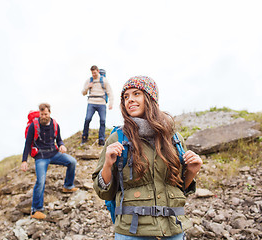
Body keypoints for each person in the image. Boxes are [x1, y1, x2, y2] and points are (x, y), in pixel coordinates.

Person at [92, 76, 203, 240]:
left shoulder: (174, 138)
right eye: (126, 97)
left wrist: (192, 172)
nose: (130, 100)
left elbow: (179, 190)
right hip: (132, 232)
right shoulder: (117, 138)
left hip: (173, 230)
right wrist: (108, 165)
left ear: (150, 98)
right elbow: (103, 192)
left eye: (136, 94)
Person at [21, 103, 78, 220]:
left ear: (49, 113)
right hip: (40, 156)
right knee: (41, 181)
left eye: (45, 114)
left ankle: (68, 186)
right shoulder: (34, 126)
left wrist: (62, 145)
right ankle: (36, 209)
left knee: (72, 162)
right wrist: (24, 161)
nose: (43, 116)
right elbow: (27, 144)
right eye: (41, 114)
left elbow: (59, 140)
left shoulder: (55, 124)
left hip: (54, 153)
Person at [81, 65, 114, 146]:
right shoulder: (89, 80)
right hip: (91, 102)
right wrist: (87, 87)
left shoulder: (104, 80)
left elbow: (110, 92)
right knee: (87, 119)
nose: (94, 74)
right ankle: (84, 137)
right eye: (92, 73)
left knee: (102, 121)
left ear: (98, 71)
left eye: (95, 73)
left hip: (101, 103)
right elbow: (83, 93)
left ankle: (101, 139)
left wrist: (111, 103)